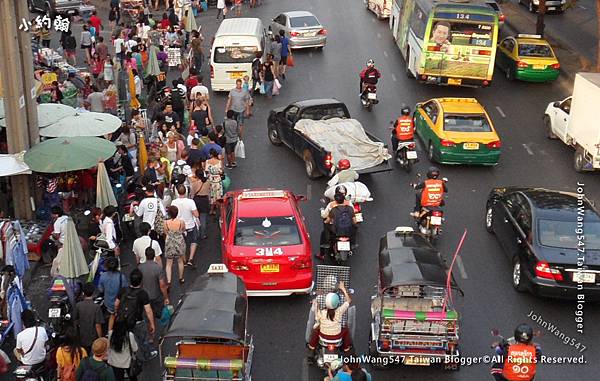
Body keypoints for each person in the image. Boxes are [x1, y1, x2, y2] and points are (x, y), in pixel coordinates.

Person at [111, 269, 157, 363]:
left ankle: (130, 355)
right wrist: (152, 324)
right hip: (137, 321)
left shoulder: (123, 290)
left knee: (125, 338)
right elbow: (148, 311)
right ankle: (147, 355)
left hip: (123, 320)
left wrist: (116, 313)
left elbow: (116, 303)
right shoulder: (142, 293)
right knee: (142, 339)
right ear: (141, 281)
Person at [307, 282, 353, 359]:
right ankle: (347, 349)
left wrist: (316, 303)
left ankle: (311, 349)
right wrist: (343, 288)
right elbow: (349, 301)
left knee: (315, 330)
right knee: (345, 330)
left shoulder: (322, 312)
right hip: (337, 339)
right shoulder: (339, 311)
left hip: (323, 338)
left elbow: (317, 318)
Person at [171, 185, 200, 267]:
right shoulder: (191, 202)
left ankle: (184, 260)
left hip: (179, 226)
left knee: (182, 243)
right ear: (186, 191)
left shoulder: (174, 202)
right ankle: (191, 259)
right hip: (190, 225)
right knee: (193, 241)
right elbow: (196, 214)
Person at [74, 282, 105, 355]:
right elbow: (98, 325)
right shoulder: (96, 307)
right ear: (93, 292)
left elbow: (75, 321)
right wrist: (100, 338)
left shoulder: (78, 305)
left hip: (81, 337)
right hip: (92, 338)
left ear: (83, 292)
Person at [139, 247, 169, 318]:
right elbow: (162, 285)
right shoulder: (158, 268)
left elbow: (140, 283)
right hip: (156, 295)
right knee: (160, 315)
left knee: (148, 314)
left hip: (145, 296)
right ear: (154, 255)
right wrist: (166, 297)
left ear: (145, 255)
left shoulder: (140, 267)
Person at [15, 309, 48, 374]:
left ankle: (20, 366)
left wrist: (23, 353)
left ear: (23, 321)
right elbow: (45, 344)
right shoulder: (42, 330)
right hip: (41, 359)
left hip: (27, 362)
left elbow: (19, 350)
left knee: (15, 350)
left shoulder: (20, 335)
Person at [163, 205, 187, 285]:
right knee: (180, 261)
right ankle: (181, 278)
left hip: (169, 242)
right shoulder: (181, 222)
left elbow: (165, 232)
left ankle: (169, 281)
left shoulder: (165, 223)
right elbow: (183, 230)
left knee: (169, 263)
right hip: (179, 241)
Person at [190, 169, 210, 239]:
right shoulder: (207, 182)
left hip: (197, 200)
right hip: (204, 200)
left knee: (196, 217)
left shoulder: (195, 183)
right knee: (203, 218)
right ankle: (203, 234)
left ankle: (196, 233)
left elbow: (192, 194)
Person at [205, 149, 224, 215]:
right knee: (218, 195)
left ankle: (212, 209)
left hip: (211, 181)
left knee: (212, 195)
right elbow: (222, 172)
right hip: (218, 180)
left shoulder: (207, 162)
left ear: (211, 154)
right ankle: (219, 207)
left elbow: (206, 171)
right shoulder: (219, 162)